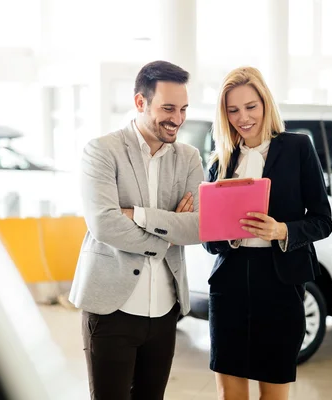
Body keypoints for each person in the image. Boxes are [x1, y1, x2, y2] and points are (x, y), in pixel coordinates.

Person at [69, 60, 205, 400]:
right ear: (140, 102)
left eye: (184, 108)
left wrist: (139, 214)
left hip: (164, 311)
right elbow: (105, 224)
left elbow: (199, 227)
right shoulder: (102, 151)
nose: (178, 118)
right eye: (168, 108)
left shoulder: (189, 158)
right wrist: (170, 227)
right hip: (110, 309)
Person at [203, 66, 332, 400]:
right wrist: (227, 234)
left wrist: (282, 229)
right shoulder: (221, 162)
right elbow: (211, 241)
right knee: (230, 393)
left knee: (273, 391)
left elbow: (323, 220)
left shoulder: (297, 148)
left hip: (279, 282)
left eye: (250, 107)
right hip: (230, 282)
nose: (243, 117)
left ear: (265, 104)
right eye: (233, 110)